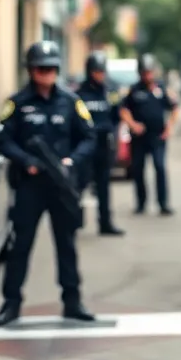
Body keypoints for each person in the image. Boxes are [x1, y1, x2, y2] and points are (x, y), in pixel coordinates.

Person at [0, 41, 97, 326]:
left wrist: (71, 162)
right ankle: (11, 303)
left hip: (61, 185)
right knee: (21, 244)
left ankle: (72, 302)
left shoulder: (71, 101)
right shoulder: (17, 103)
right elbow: (2, 139)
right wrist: (27, 161)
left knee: (66, 245)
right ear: (31, 70)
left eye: (51, 68)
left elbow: (89, 137)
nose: (47, 73)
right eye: (41, 68)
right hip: (30, 185)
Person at [120, 53, 178, 216]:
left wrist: (169, 127)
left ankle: (163, 203)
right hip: (139, 137)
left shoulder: (162, 88)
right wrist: (132, 124)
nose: (148, 75)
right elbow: (124, 110)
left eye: (150, 72)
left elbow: (175, 108)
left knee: (160, 167)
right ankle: (141, 203)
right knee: (138, 169)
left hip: (158, 136)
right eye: (144, 72)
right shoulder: (133, 90)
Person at [75, 51, 124, 236]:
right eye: (96, 71)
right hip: (85, 146)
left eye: (102, 71)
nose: (100, 75)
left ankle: (105, 223)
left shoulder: (110, 92)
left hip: (104, 146)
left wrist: (114, 138)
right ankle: (75, 221)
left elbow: (117, 116)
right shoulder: (79, 94)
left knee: (103, 187)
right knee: (79, 185)